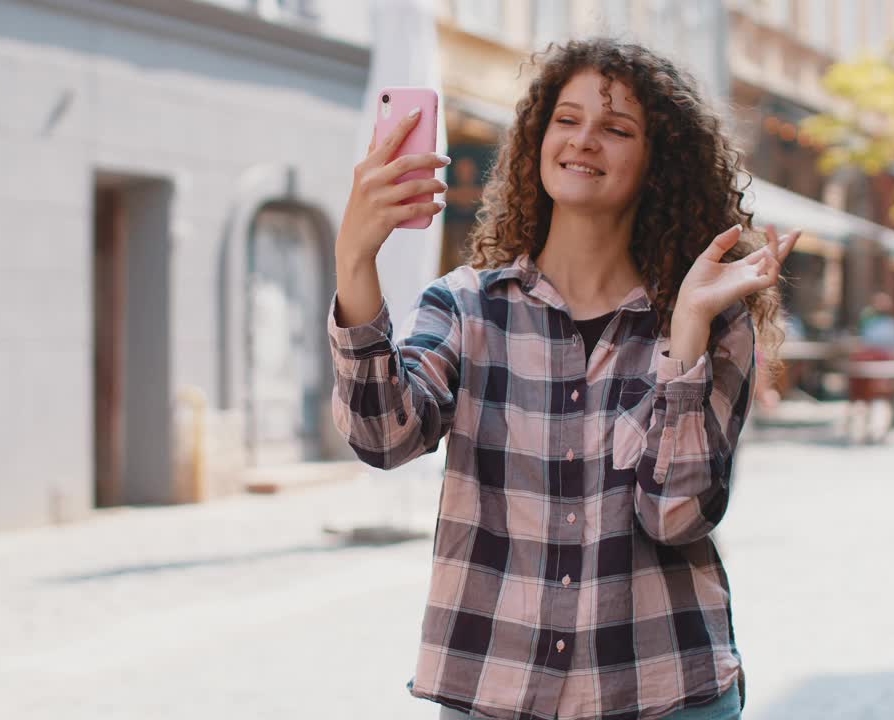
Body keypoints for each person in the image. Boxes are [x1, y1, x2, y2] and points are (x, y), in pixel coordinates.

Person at [328, 39, 796, 720]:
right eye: (567, 120)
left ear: (656, 161)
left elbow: (677, 515)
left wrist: (687, 330)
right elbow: (381, 437)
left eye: (616, 128)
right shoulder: (466, 307)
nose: (584, 141)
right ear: (539, 139)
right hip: (499, 688)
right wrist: (355, 261)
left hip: (665, 692)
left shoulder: (712, 320)